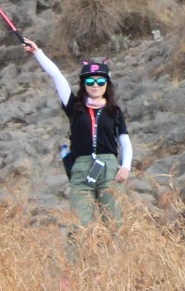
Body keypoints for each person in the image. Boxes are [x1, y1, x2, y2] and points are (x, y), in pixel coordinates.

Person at [22, 38, 133, 224]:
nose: (95, 85)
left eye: (100, 81)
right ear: (83, 83)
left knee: (115, 223)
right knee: (79, 225)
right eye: (90, 80)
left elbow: (125, 142)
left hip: (110, 169)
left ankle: (114, 254)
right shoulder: (74, 106)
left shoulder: (114, 111)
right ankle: (78, 254)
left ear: (107, 83)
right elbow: (57, 76)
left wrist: (126, 166)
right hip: (81, 169)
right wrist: (37, 52)